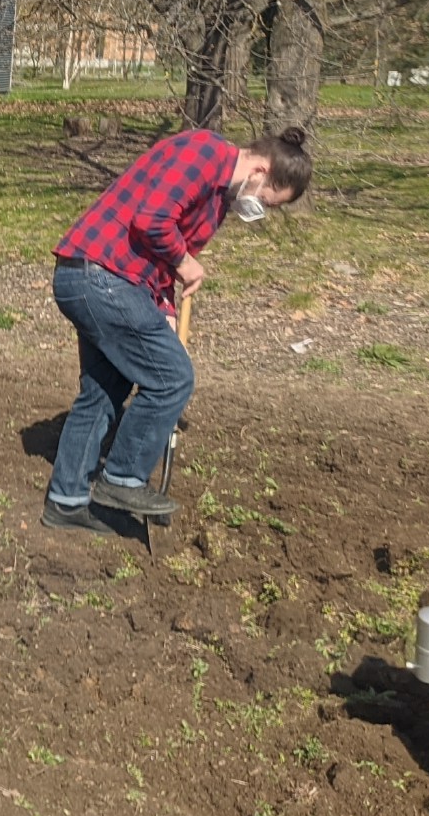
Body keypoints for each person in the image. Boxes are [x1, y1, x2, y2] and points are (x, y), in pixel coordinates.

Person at [43, 126, 312, 532]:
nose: (260, 209)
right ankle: (123, 479)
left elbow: (164, 256)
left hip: (104, 280)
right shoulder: (203, 153)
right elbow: (152, 221)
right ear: (259, 169)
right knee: (172, 378)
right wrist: (187, 263)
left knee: (104, 391)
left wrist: (164, 304)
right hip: (99, 276)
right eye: (267, 202)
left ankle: (66, 501)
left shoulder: (218, 200)